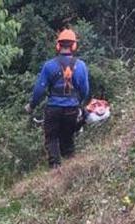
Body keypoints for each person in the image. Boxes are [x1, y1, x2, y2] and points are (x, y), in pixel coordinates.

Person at [25, 29, 90, 168]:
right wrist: (79, 103)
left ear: (58, 46)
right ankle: (71, 170)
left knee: (52, 138)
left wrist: (31, 105)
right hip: (72, 109)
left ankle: (55, 168)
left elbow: (39, 90)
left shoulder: (49, 66)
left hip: (53, 109)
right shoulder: (81, 66)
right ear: (74, 46)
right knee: (68, 140)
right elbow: (85, 90)